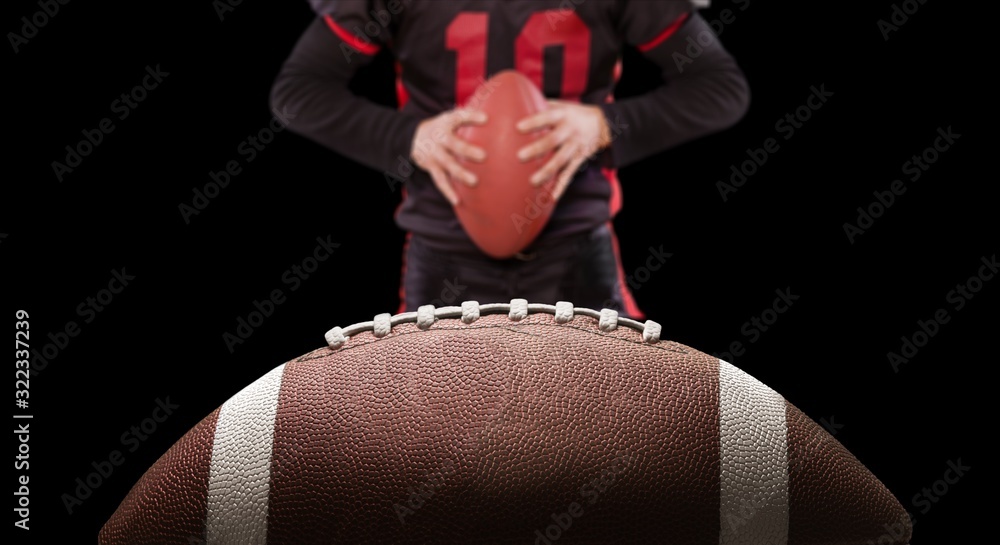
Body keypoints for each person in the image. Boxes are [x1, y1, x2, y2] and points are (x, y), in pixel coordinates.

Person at [271, 0, 749, 318]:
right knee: (431, 449)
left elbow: (720, 88)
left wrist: (603, 125)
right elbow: (299, 91)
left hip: (575, 249)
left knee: (610, 441)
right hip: (445, 256)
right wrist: (408, 137)